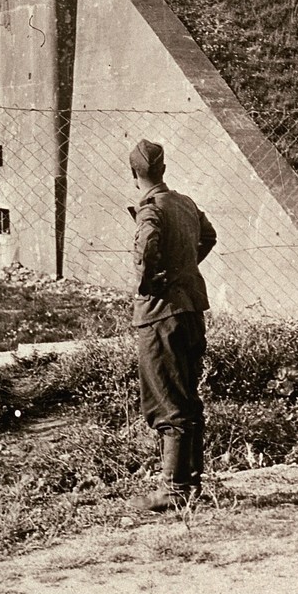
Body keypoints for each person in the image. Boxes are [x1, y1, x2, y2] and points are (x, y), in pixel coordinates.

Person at [127, 138, 217, 512]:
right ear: (162, 170)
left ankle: (173, 490)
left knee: (166, 399)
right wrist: (184, 270)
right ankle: (191, 482)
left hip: (160, 315)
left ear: (135, 174)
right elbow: (209, 236)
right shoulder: (184, 203)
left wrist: (151, 283)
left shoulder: (150, 209)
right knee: (187, 396)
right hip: (191, 311)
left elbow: (146, 248)